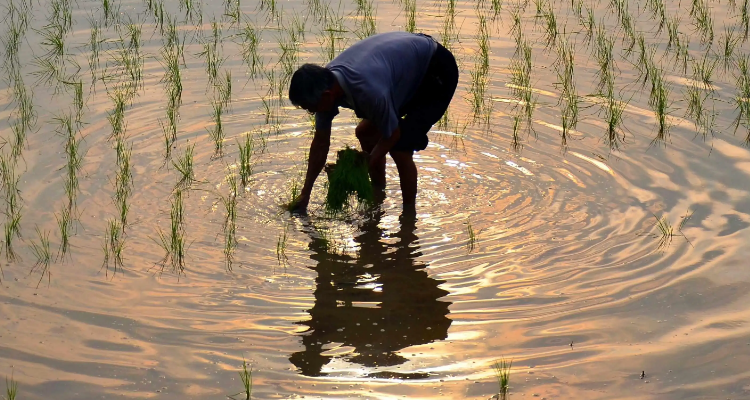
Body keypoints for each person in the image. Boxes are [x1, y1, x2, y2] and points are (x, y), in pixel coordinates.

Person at [287, 31, 459, 213]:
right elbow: (321, 143)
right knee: (365, 133)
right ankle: (378, 194)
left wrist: (361, 167)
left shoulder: (368, 91)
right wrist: (305, 193)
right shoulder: (326, 86)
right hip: (400, 73)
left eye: (309, 107)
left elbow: (392, 134)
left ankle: (409, 217)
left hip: (435, 71)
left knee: (400, 147)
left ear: (327, 96)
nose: (311, 112)